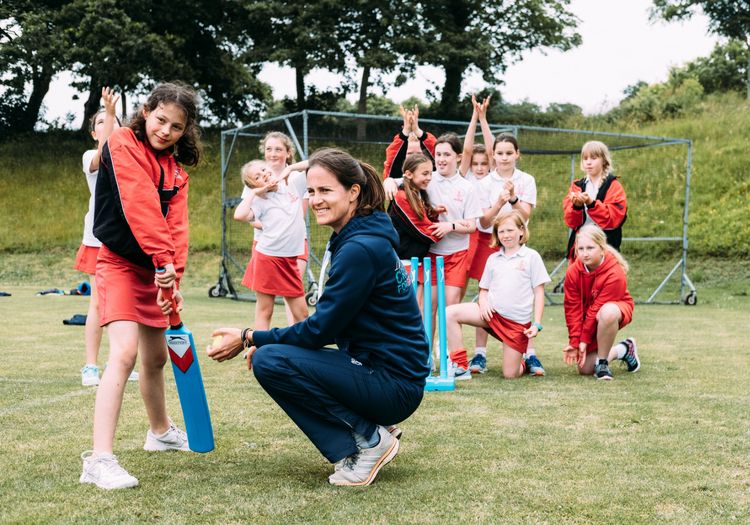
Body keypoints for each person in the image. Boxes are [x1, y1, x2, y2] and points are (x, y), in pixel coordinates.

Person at [208, 148, 430, 487]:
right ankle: (371, 430)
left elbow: (320, 330)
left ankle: (370, 440)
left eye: (325, 191)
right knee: (275, 355)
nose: (315, 200)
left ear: (353, 193)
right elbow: (328, 325)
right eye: (311, 191)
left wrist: (250, 336)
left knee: (270, 360)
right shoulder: (363, 234)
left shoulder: (360, 248)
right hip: (388, 374)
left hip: (394, 384)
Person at [79, 82, 202, 490]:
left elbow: (177, 227)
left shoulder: (176, 172)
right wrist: (162, 261)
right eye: (161, 119)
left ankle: (160, 432)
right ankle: (99, 460)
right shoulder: (122, 143)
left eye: (177, 127)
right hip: (117, 263)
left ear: (186, 131)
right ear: (146, 111)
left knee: (156, 359)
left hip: (154, 269)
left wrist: (173, 278)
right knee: (126, 354)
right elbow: (140, 206)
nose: (166, 131)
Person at [75, 87, 138, 386]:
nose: (108, 126)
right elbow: (104, 151)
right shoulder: (92, 155)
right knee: (99, 304)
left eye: (111, 122)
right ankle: (90, 366)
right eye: (100, 122)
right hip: (98, 241)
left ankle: (120, 360)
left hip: (126, 241)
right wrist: (111, 113)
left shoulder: (129, 156)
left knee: (125, 304)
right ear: (93, 133)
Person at [469, 132, 542, 376]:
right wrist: (499, 203)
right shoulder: (483, 184)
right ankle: (480, 353)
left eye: (509, 153)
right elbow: (484, 221)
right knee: (487, 295)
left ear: (517, 154)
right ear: (493, 155)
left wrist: (512, 197)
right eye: (499, 153)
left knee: (522, 294)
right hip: (492, 245)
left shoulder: (527, 180)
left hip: (517, 244)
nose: (504, 158)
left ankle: (529, 353)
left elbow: (526, 215)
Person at [445, 210, 550, 379]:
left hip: (516, 324)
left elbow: (539, 293)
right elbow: (484, 289)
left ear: (521, 230)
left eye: (510, 230)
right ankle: (460, 365)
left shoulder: (531, 257)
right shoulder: (493, 259)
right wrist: (484, 302)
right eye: (501, 231)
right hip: (490, 314)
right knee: (449, 313)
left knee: (510, 374)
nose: (506, 235)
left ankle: (522, 361)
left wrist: (536, 324)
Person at [234, 160, 308, 330]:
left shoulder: (292, 183)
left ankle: (303, 352)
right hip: (267, 259)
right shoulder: (259, 200)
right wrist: (254, 193)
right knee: (265, 311)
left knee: (302, 314)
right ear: (254, 185)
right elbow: (239, 215)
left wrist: (290, 168)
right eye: (257, 177)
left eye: (263, 169)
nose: (263, 174)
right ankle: (258, 351)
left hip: (290, 261)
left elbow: (319, 162)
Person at [562, 224, 640, 380]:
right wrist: (575, 342)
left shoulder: (615, 273)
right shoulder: (572, 271)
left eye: (590, 248)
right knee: (585, 368)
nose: (584, 253)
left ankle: (603, 364)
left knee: (607, 312)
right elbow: (572, 309)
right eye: (580, 248)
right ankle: (624, 349)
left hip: (614, 308)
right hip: (590, 315)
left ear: (602, 248)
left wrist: (584, 340)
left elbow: (597, 308)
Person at [563, 141, 627, 261]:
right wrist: (577, 207)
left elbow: (612, 219)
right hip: (580, 248)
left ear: (603, 160)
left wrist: (591, 204)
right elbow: (571, 221)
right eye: (585, 158)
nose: (588, 162)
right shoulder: (576, 186)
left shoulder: (614, 186)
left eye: (593, 158)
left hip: (606, 247)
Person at [383, 104, 436, 182]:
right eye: (410, 153)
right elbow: (392, 158)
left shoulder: (432, 176)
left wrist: (417, 130)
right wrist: (405, 132)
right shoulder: (396, 178)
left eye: (418, 153)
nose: (414, 157)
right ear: (403, 156)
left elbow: (437, 150)